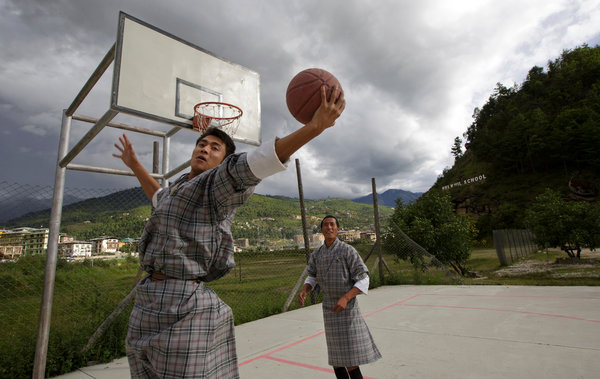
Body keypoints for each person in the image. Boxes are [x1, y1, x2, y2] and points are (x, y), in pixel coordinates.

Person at [113, 85, 345, 378]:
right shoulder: (180, 189)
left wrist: (313, 128)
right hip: (147, 301)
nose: (205, 148)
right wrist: (135, 164)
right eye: (202, 144)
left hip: (183, 304)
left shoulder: (215, 187)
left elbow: (252, 165)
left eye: (214, 148)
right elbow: (158, 196)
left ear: (222, 163)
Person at [298, 215, 381, 379]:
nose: (329, 227)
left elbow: (363, 278)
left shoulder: (347, 250)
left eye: (332, 225)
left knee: (350, 360)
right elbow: (312, 276)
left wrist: (345, 298)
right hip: (329, 309)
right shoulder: (317, 254)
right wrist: (306, 290)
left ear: (337, 229)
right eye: (325, 225)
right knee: (336, 359)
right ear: (321, 230)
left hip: (347, 308)